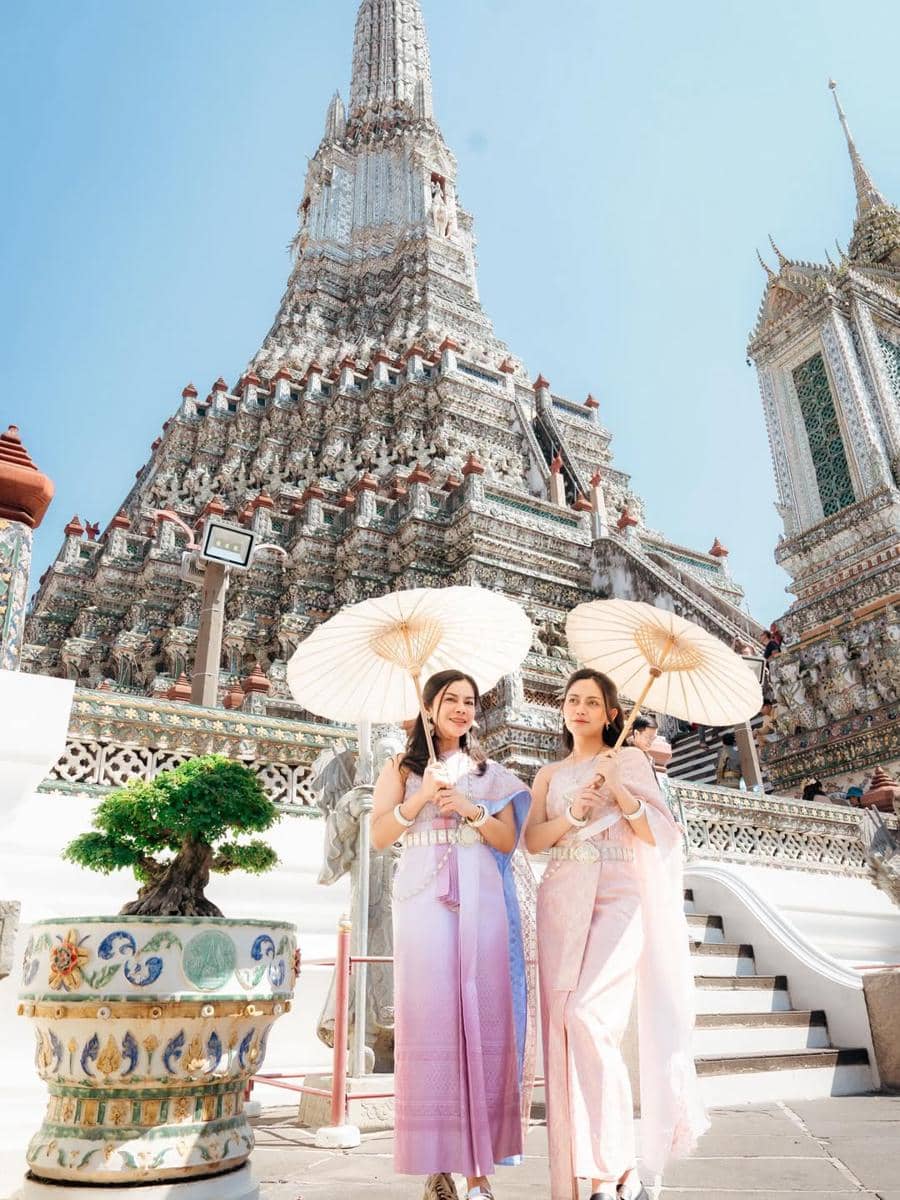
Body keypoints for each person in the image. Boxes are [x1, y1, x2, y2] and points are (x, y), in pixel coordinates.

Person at [526, 669, 707, 1200]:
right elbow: (533, 842)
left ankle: (616, 1166)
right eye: (571, 700)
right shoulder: (549, 773)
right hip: (561, 896)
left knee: (589, 1017)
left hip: (619, 896)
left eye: (592, 702)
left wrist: (622, 790)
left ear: (611, 714)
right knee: (564, 1030)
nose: (579, 708)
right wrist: (573, 813)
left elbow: (659, 833)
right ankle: (589, 1174)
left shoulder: (628, 759)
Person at [371, 670, 534, 1200]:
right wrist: (419, 801)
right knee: (433, 1019)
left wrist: (471, 809)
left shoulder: (490, 772)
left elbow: (510, 839)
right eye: (451, 700)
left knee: (479, 1017)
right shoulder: (400, 768)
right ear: (430, 707)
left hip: (480, 896)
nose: (462, 710)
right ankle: (436, 1163)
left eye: (469, 702)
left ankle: (479, 1172)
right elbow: (378, 835)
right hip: (421, 896)